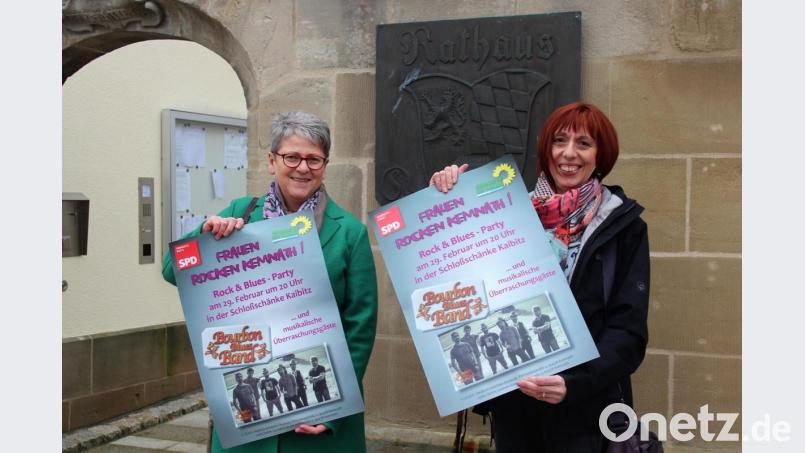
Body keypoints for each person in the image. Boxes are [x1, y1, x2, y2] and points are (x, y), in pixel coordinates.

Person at [431, 102, 650, 452]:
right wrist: (448, 199)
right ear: (546, 150)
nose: (569, 153)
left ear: (601, 155)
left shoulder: (625, 228)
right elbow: (457, 283)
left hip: (586, 411)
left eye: (584, 143)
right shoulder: (504, 213)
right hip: (515, 408)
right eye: (559, 141)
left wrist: (574, 384)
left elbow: (628, 330)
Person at [163, 111, 378, 452]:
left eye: (314, 159)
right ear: (272, 160)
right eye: (292, 156)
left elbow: (360, 328)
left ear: (325, 164)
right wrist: (202, 236)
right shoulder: (240, 215)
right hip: (247, 425)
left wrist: (333, 411)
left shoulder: (350, 233)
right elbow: (173, 272)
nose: (302, 168)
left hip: (317, 421)